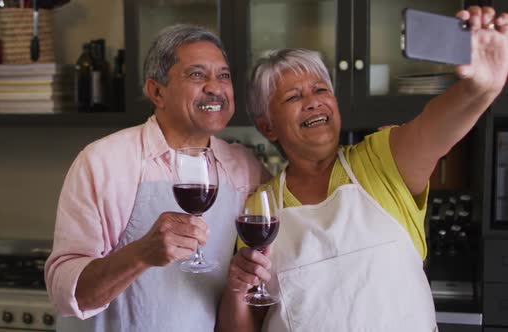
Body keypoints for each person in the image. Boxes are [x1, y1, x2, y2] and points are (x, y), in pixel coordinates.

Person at [217, 6, 508, 332]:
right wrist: (236, 289)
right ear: (267, 127)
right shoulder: (261, 207)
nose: (313, 101)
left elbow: (436, 125)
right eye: (293, 97)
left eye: (321, 89)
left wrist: (481, 88)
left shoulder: (382, 159)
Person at [44, 24, 269, 332]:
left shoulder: (245, 168)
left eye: (224, 75)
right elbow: (64, 292)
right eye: (197, 75)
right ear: (157, 92)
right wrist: (140, 253)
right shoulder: (103, 161)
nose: (216, 88)